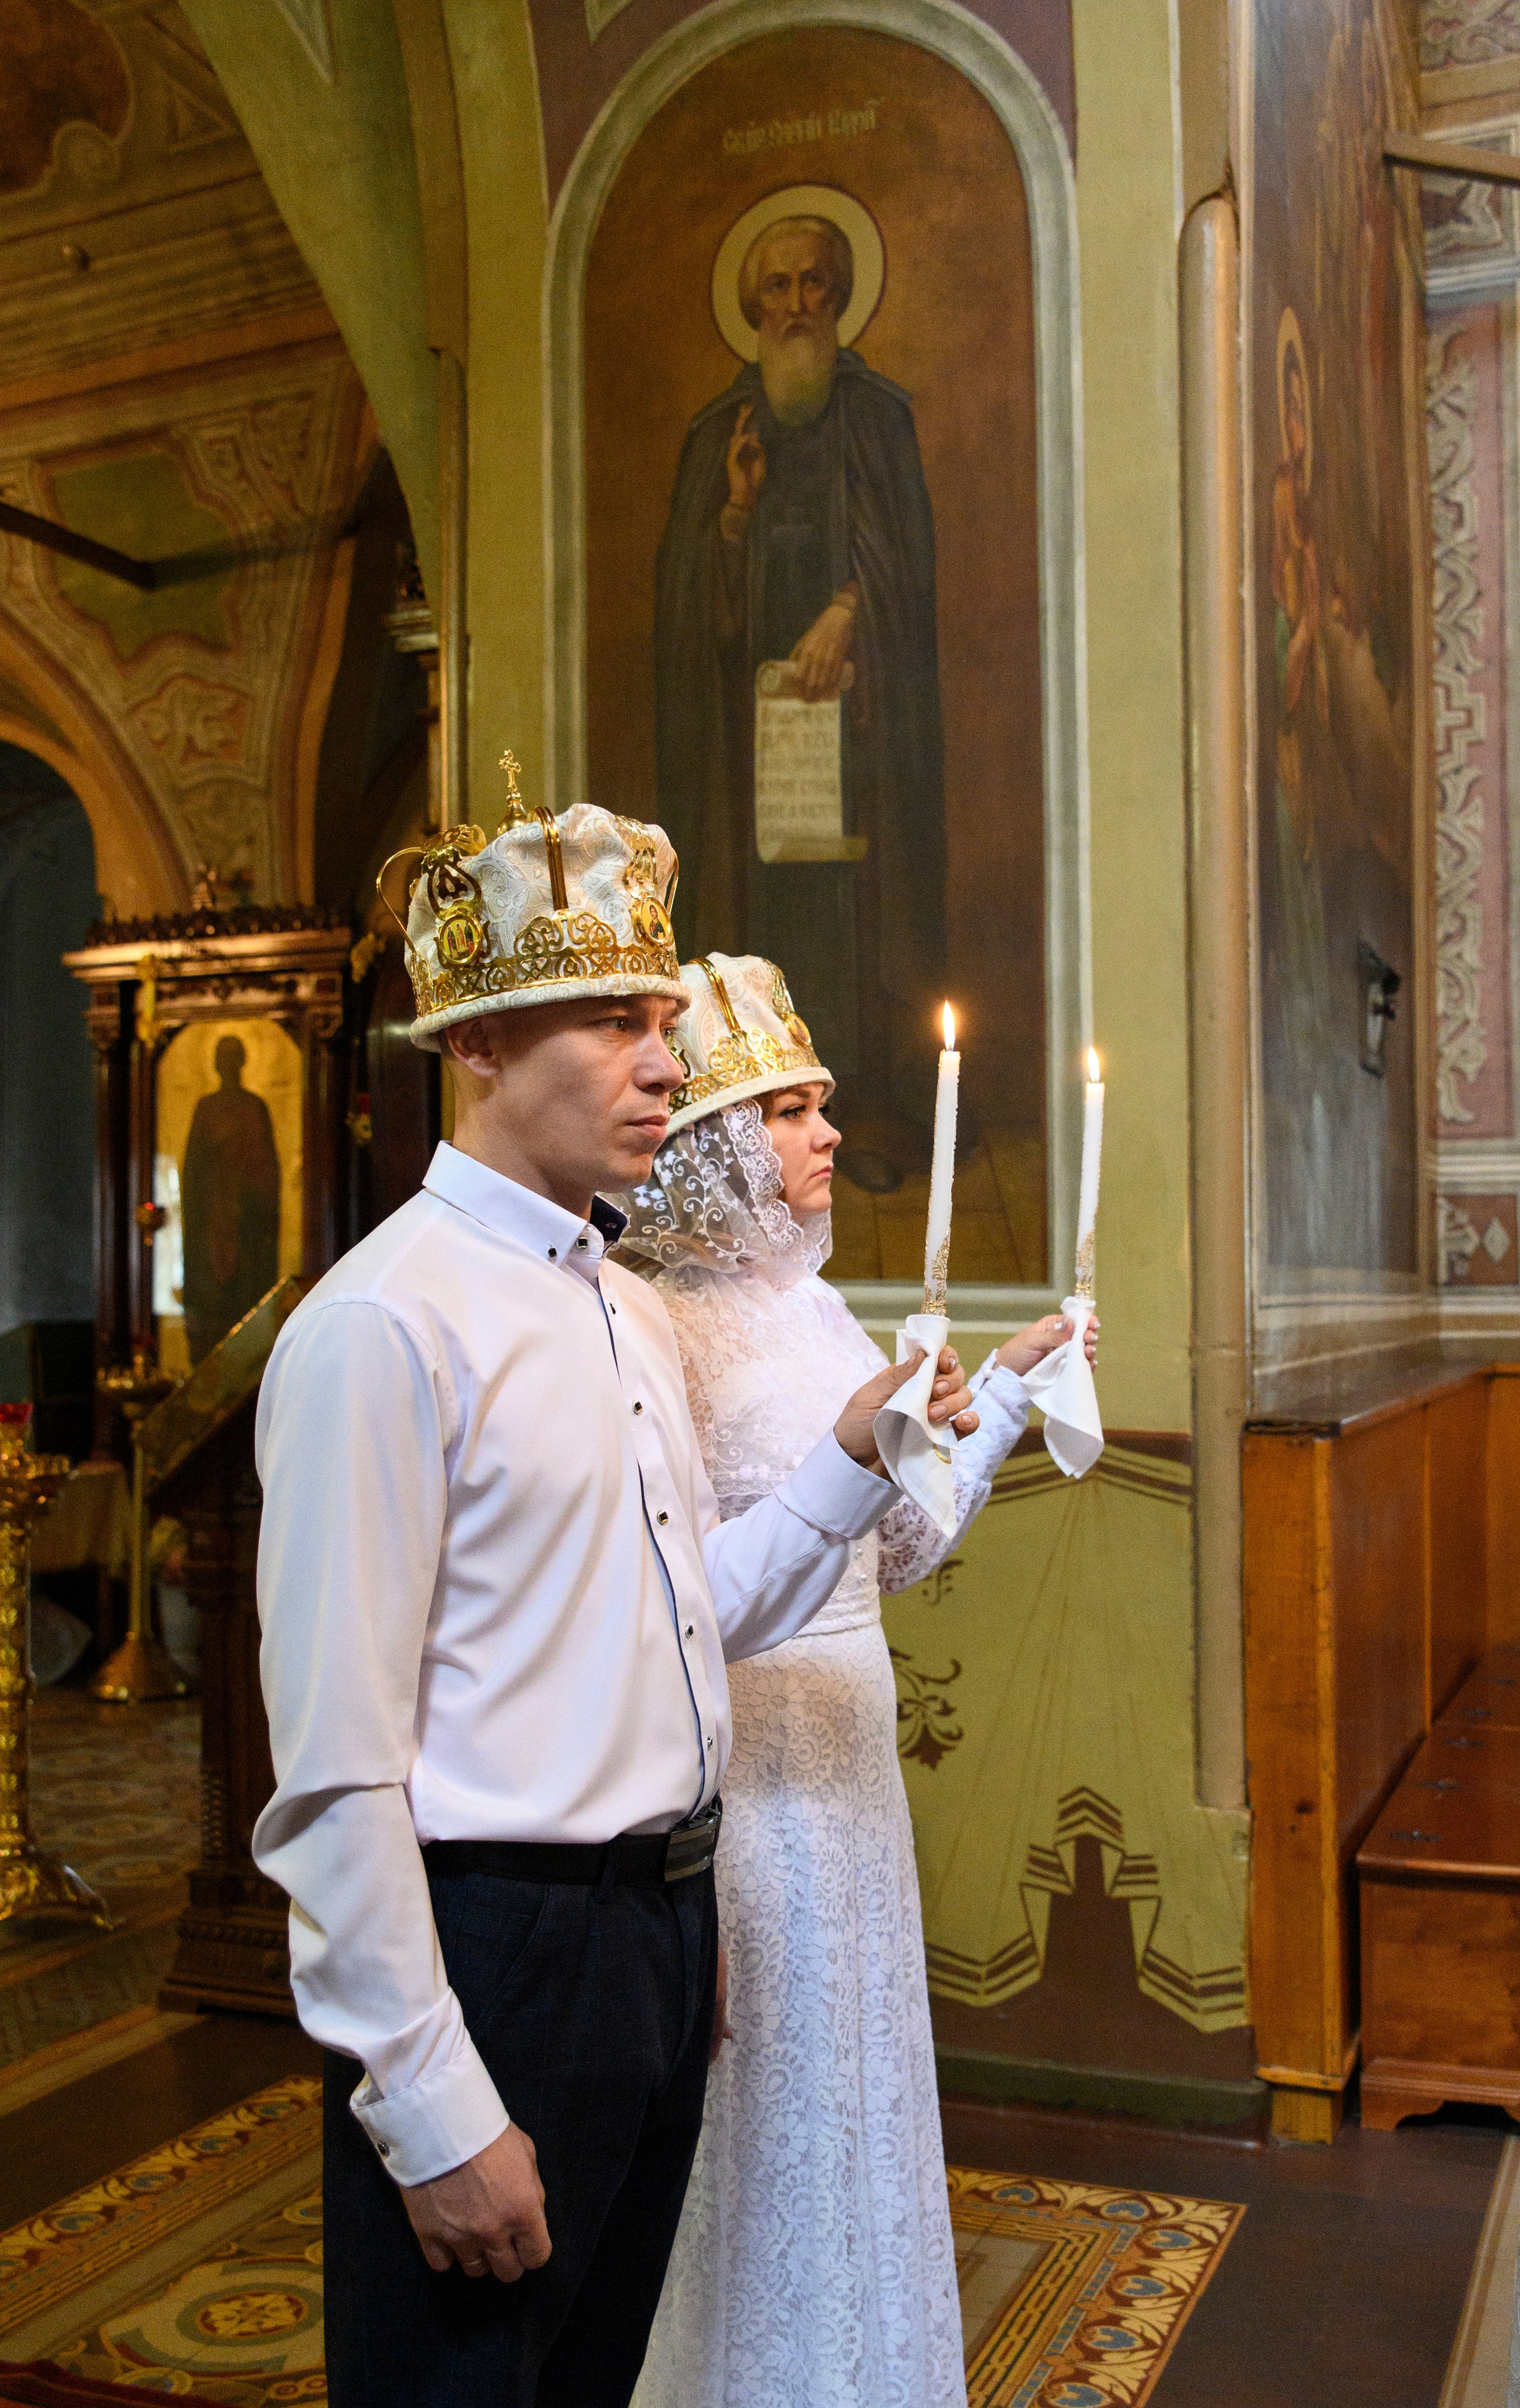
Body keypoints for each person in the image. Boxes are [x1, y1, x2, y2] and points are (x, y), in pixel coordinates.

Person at [250, 798, 976, 2407]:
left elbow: (685, 1618)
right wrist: (429, 2097)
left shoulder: (629, 1310)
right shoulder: (383, 1326)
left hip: (650, 1934)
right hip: (490, 1942)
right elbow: (334, 1773)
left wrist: (855, 1456)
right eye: (613, 1020)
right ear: (482, 1040)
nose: (663, 1062)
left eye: (663, 1021)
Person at [613, 953, 1098, 2408]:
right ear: (709, 1142)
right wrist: (855, 1440)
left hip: (854, 1778)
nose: (829, 1133)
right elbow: (672, 1595)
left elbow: (890, 1547)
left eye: (823, 1106)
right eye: (792, 1110)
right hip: (749, 1787)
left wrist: (1004, 1386)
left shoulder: (812, 1307)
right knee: (762, 2129)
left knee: (856, 2116)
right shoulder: (664, 1329)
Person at [655, 212, 944, 1187]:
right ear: (751, 306)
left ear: (840, 293)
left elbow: (907, 572)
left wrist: (852, 610)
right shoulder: (718, 434)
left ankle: (857, 1110)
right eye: (775, 289)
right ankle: (754, 1123)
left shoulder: (877, 417)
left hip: (856, 732)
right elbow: (694, 615)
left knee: (851, 911)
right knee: (764, 914)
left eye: (814, 284)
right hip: (756, 748)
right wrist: (734, 515)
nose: (795, 306)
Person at [180, 1032, 280, 1359]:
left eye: (232, 1056)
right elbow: (194, 1170)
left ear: (242, 1062)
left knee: (246, 1299)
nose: (227, 1064)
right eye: (221, 1057)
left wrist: (246, 1192)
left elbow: (267, 1169)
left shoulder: (255, 1108)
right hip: (213, 1222)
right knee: (212, 1304)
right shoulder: (206, 1108)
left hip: (248, 1225)